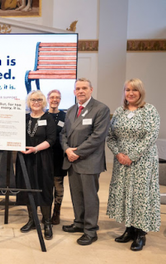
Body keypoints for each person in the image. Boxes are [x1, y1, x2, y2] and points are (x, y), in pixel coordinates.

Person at [106, 78, 160, 251]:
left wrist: (133, 155)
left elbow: (151, 135)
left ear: (141, 92)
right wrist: (119, 154)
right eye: (127, 90)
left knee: (140, 196)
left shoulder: (149, 110)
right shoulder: (119, 111)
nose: (130, 93)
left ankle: (141, 233)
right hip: (121, 161)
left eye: (134, 90)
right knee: (125, 193)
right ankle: (129, 229)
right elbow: (110, 136)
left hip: (142, 161)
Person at [60, 78, 110, 245]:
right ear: (74, 92)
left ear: (91, 90)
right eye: (77, 88)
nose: (80, 91)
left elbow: (98, 137)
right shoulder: (71, 110)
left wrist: (77, 153)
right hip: (72, 160)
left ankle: (90, 230)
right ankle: (79, 223)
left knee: (89, 197)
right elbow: (63, 134)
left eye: (84, 88)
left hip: (89, 160)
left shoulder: (101, 109)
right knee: (76, 195)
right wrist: (67, 149)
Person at [16, 90, 56, 240]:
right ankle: (32, 220)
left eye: (39, 99)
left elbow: (52, 139)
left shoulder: (48, 118)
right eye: (33, 99)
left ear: (44, 101)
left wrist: (36, 149)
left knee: (44, 189)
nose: (36, 102)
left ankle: (47, 222)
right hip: (25, 159)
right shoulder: (25, 118)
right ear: (29, 102)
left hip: (42, 158)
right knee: (28, 189)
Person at [47, 89, 67, 225]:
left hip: (59, 157)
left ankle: (56, 213)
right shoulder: (42, 115)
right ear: (48, 99)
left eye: (57, 97)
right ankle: (46, 212)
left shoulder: (65, 116)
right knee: (46, 186)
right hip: (45, 156)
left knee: (58, 186)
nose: (55, 99)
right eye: (52, 97)